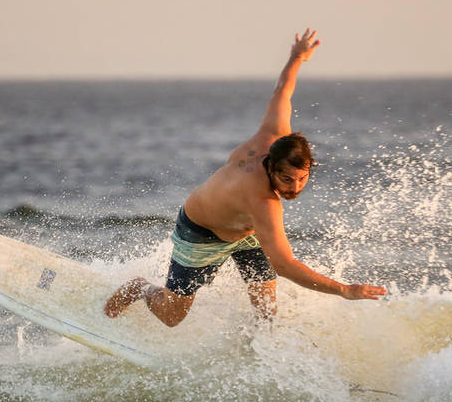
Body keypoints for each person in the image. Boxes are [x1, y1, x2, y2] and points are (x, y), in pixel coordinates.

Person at [104, 29, 386, 327]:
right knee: (171, 316)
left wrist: (297, 57)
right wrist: (345, 290)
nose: (294, 188)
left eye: (302, 179)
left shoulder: (275, 133)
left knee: (266, 310)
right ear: (271, 167)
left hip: (246, 231)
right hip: (203, 231)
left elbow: (283, 90)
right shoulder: (263, 200)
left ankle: (259, 355)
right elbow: (285, 265)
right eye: (286, 179)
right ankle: (140, 288)